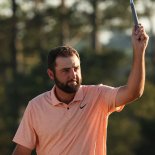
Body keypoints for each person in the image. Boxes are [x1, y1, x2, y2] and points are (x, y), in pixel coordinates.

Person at [12, 25, 149, 155]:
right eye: (66, 70)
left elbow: (133, 92)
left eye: (76, 68)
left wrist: (139, 51)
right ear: (51, 74)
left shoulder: (98, 96)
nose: (73, 75)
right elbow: (22, 151)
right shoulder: (36, 106)